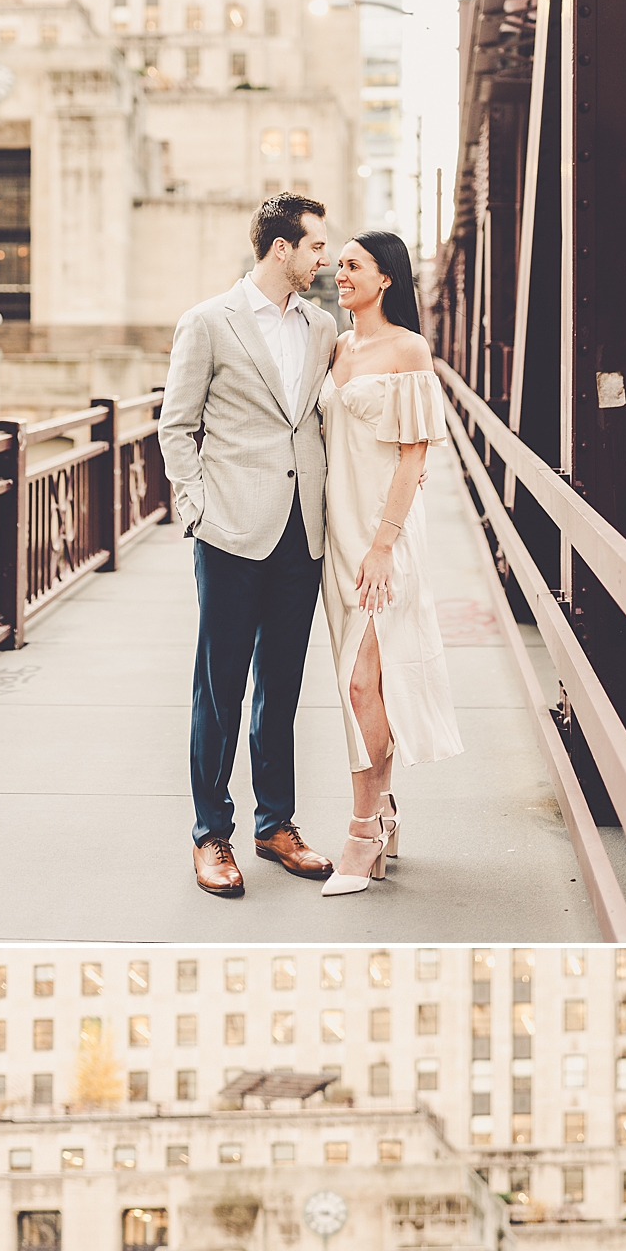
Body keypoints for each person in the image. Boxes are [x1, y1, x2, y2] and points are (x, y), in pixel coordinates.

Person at [159, 194, 337, 898]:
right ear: (281, 248)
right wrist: (196, 507)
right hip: (231, 529)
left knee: (282, 689)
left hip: (304, 532)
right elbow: (176, 425)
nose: (325, 257)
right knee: (220, 687)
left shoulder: (322, 326)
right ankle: (211, 835)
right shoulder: (207, 322)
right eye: (317, 246)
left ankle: (276, 825)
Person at [317, 233, 464, 895]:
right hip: (336, 531)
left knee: (359, 682)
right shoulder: (336, 347)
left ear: (386, 281)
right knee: (365, 686)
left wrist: (383, 545)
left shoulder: (408, 350)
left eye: (353, 265)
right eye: (338, 263)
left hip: (384, 537)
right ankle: (384, 809)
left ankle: (363, 828)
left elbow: (413, 456)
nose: (338, 272)